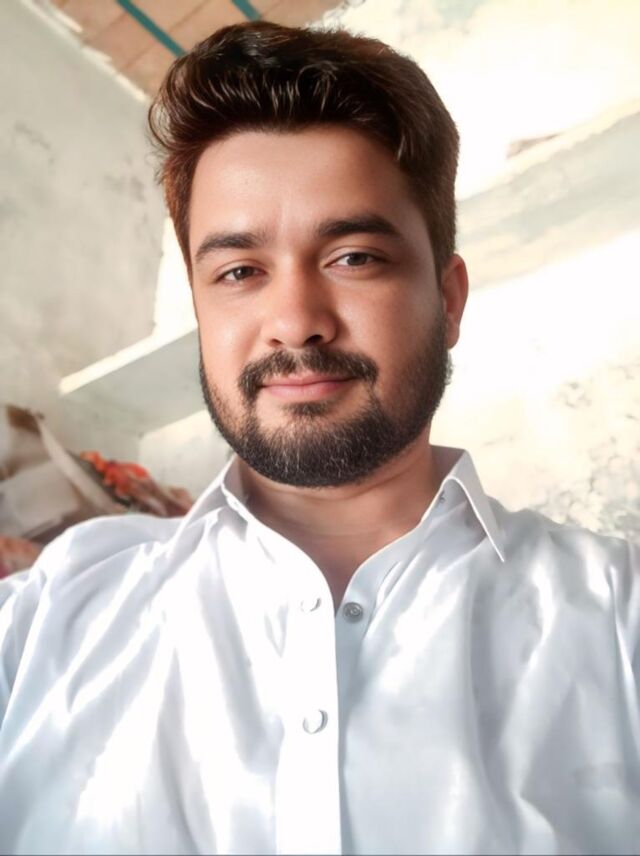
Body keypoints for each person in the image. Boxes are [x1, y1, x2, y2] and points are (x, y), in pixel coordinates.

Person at [0, 20, 638, 856]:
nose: (295, 320)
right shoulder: (51, 617)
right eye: (239, 272)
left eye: (354, 257)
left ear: (448, 301)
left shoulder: (617, 617)